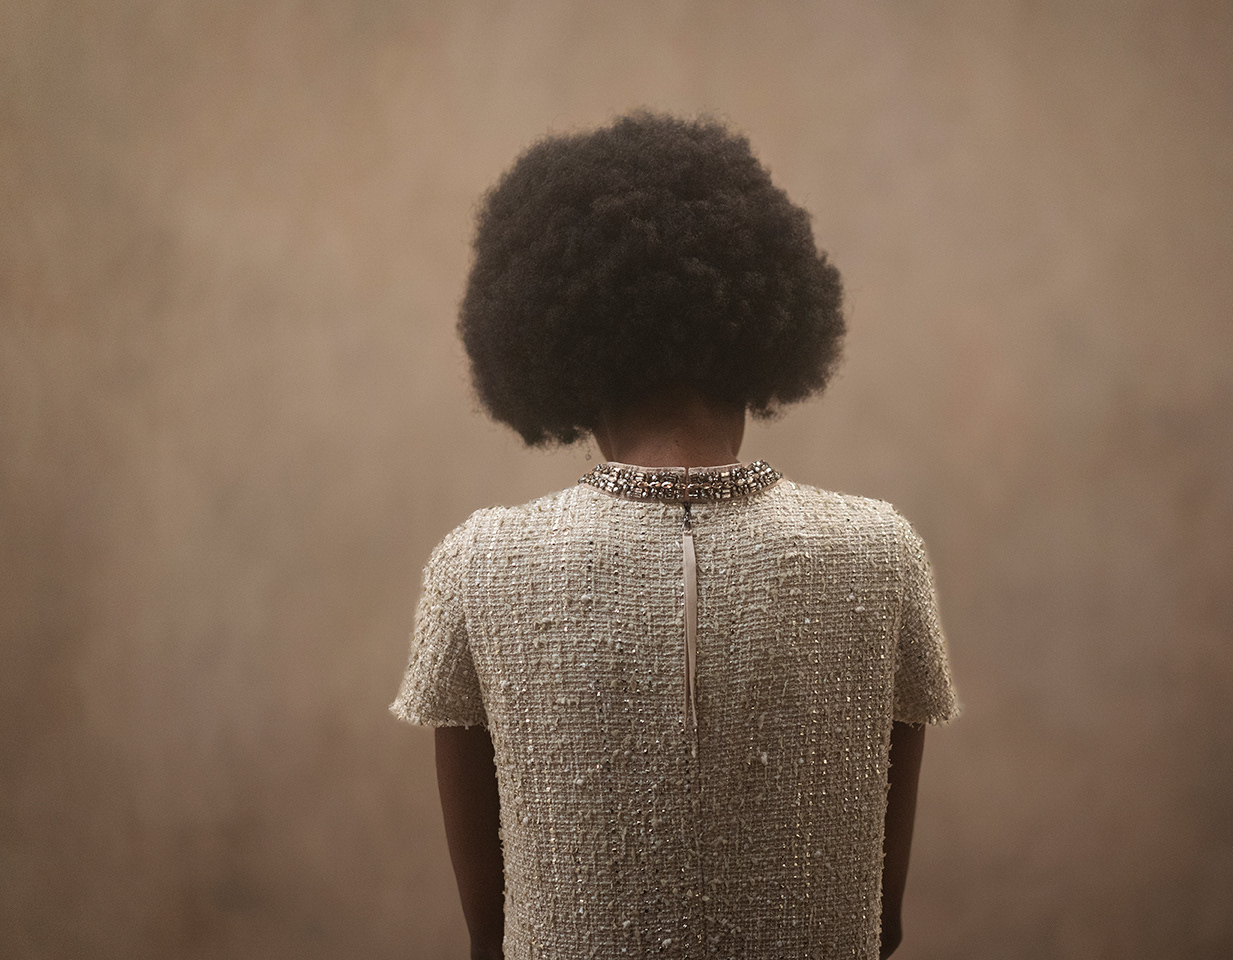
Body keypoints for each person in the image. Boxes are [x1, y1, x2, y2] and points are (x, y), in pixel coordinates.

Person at [390, 111, 960, 960]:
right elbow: (880, 926)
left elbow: (490, 937)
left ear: (562, 363)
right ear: (766, 337)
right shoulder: (881, 553)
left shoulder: (478, 564)